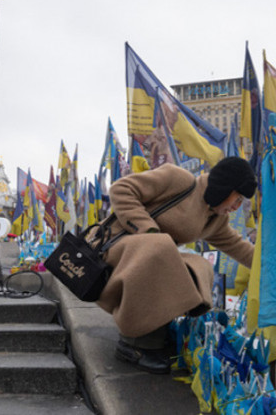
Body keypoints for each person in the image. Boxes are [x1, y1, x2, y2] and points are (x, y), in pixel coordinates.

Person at [95, 156, 257, 374]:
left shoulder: (215, 219)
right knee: (163, 251)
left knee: (199, 267)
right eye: (236, 200)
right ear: (224, 187)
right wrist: (149, 232)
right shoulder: (178, 179)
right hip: (114, 249)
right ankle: (133, 344)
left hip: (150, 260)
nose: (236, 208)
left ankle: (155, 337)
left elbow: (244, 250)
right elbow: (121, 189)